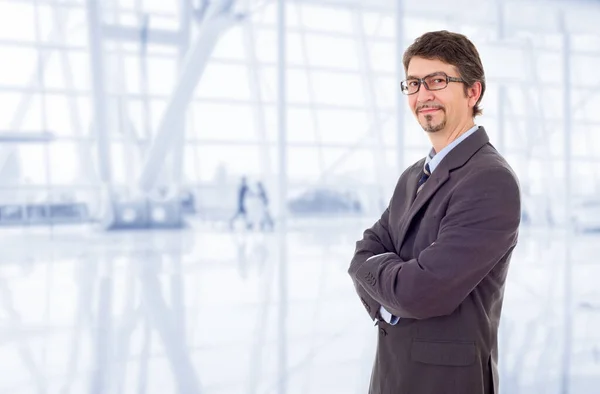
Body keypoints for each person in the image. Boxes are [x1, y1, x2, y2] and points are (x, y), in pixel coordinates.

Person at [347, 30, 521, 394]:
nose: (423, 95)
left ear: (473, 91)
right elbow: (362, 253)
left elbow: (422, 292)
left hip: (446, 383)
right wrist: (392, 286)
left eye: (437, 81)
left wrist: (385, 289)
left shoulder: (489, 179)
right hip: (390, 377)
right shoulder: (412, 176)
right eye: (413, 83)